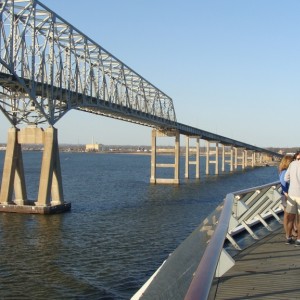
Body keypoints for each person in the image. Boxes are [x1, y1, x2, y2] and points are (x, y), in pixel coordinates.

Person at [284, 151, 300, 245]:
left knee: (291, 217)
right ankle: (298, 239)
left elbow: (286, 178)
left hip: (291, 194)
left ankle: (289, 237)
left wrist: (293, 183)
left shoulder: (292, 164)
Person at [278, 154, 294, 241]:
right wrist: (287, 194)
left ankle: (290, 232)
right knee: (287, 215)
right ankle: (288, 233)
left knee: (289, 214)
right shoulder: (284, 172)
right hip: (286, 195)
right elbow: (283, 184)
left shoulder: (285, 171)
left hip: (288, 194)